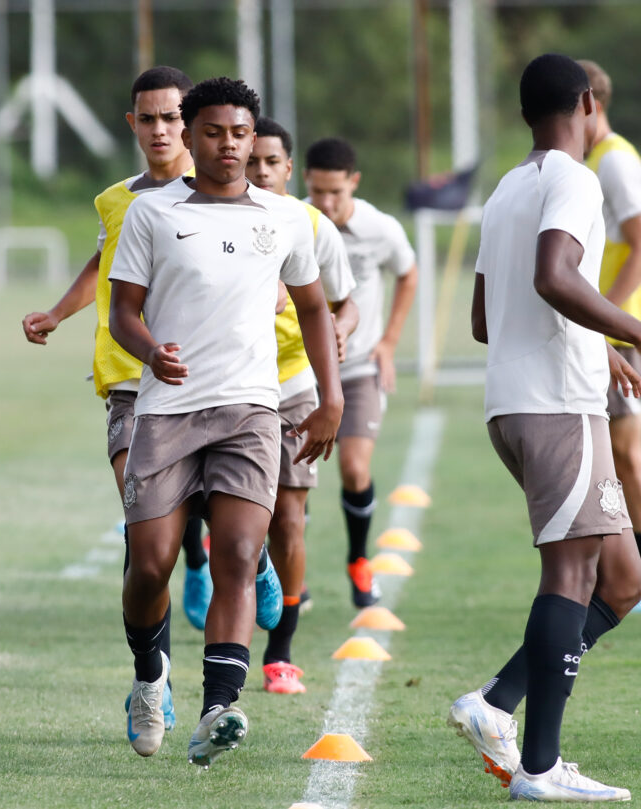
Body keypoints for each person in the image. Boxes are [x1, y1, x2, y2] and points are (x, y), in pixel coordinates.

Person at [448, 54, 641, 802]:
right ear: (587, 101)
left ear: (526, 113)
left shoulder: (506, 189)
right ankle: (541, 769)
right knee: (571, 576)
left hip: (520, 403)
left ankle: (494, 703)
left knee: (621, 581)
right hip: (557, 406)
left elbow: (486, 318)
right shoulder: (577, 179)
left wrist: (601, 343)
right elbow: (557, 275)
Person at [108, 77, 343, 767]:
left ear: (253, 135)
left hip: (249, 412)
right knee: (149, 565)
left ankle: (219, 706)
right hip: (167, 411)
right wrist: (153, 350)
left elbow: (314, 309)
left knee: (240, 554)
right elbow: (125, 311)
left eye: (241, 133)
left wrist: (331, 398)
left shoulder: (285, 218)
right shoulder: (151, 215)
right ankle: (151, 678)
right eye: (213, 132)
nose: (230, 145)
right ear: (189, 135)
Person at [21, 68, 208, 727]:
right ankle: (151, 675)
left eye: (171, 118)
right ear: (133, 125)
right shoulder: (115, 202)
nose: (159, 130)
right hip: (131, 387)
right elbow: (102, 265)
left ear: (193, 123)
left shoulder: (217, 196)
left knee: (193, 519)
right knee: (142, 531)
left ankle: (208, 552)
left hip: (208, 388)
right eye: (147, 119)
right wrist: (57, 312)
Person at [245, 116, 358, 694]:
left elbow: (344, 303)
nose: (260, 170)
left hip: (292, 384)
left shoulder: (312, 226)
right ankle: (243, 566)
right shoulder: (216, 220)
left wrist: (339, 333)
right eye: (252, 159)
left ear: (289, 168)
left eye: (271, 161)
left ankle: (280, 649)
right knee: (237, 520)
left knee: (289, 519)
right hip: (229, 385)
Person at [303, 137, 419, 608]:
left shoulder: (380, 229)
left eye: (335, 192)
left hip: (360, 366)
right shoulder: (296, 222)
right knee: (294, 478)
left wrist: (389, 341)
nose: (326, 204)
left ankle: (357, 560)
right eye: (316, 192)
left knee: (354, 468)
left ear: (354, 181)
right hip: (301, 371)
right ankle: (295, 578)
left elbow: (408, 273)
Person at [577, 59, 641, 612]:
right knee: (612, 451)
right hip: (614, 330)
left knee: (626, 454)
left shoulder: (614, 162)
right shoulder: (599, 160)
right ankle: (630, 571)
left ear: (590, 102)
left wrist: (603, 318)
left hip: (622, 333)